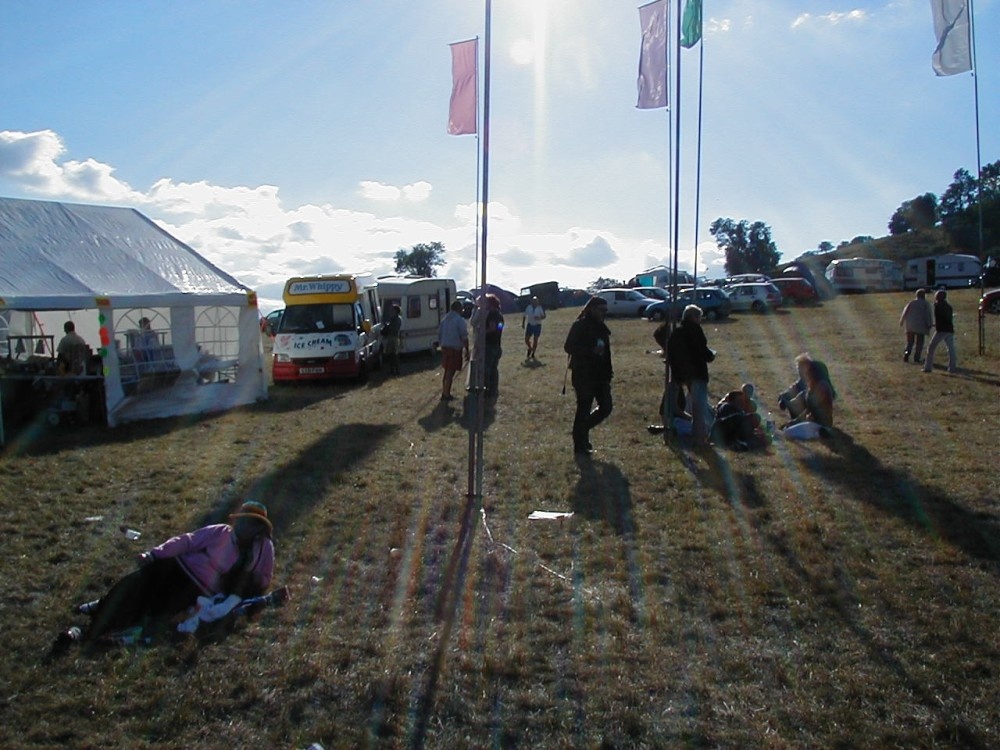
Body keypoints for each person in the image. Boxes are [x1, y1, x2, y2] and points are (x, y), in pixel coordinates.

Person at [62, 501, 275, 647]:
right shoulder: (220, 532)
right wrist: (154, 555)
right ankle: (98, 613)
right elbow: (187, 541)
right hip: (177, 567)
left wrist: (244, 585)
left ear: (260, 528)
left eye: (253, 523)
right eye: (244, 520)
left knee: (153, 607)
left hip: (198, 588)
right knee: (137, 582)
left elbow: (264, 578)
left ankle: (93, 632)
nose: (246, 526)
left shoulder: (263, 549)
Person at [564, 296, 613, 456]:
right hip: (583, 374)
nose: (603, 313)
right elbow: (569, 346)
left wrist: (608, 370)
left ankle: (581, 430)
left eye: (605, 310)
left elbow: (606, 352)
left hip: (600, 374)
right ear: (592, 309)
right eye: (601, 310)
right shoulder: (580, 325)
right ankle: (581, 445)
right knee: (584, 408)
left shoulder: (601, 327)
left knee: (606, 407)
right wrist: (590, 351)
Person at [666, 305, 716, 446]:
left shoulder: (676, 333)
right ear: (693, 317)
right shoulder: (695, 330)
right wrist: (710, 356)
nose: (700, 320)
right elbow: (702, 350)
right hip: (697, 373)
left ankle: (694, 435)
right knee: (698, 408)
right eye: (699, 317)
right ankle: (699, 438)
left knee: (693, 406)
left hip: (682, 374)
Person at [781, 359, 836, 439]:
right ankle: (818, 433)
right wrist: (794, 422)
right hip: (812, 423)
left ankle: (821, 433)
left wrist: (798, 421)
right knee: (787, 430)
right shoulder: (812, 386)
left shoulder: (822, 387)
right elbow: (808, 410)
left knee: (788, 433)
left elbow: (812, 410)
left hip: (819, 424)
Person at [777, 353, 836, 421]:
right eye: (798, 368)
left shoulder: (821, 385)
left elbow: (810, 403)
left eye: (801, 368)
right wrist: (782, 396)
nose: (800, 371)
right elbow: (793, 389)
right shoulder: (803, 381)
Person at [438, 300, 469, 400]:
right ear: (459, 309)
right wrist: (467, 349)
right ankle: (446, 394)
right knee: (450, 372)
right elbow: (464, 336)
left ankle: (445, 391)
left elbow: (439, 333)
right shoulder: (459, 320)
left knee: (447, 371)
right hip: (454, 348)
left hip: (445, 347)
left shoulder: (444, 319)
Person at [923, 289, 957, 374]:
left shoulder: (937, 305)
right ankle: (952, 368)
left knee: (931, 348)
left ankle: (928, 367)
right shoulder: (949, 306)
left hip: (941, 330)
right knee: (951, 349)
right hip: (949, 329)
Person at [899, 289, 933, 363]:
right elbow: (928, 315)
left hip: (910, 326)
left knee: (909, 343)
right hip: (921, 326)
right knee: (919, 343)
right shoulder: (925, 304)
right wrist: (929, 324)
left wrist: (901, 321)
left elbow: (905, 312)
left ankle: (906, 355)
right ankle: (917, 358)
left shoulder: (911, 303)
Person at [483, 294, 504, 399]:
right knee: (494, 369)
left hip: (490, 345)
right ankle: (494, 390)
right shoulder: (500, 315)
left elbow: (492, 328)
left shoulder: (492, 314)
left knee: (487, 369)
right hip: (497, 344)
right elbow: (500, 328)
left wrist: (482, 333)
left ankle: (488, 390)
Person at [521, 296, 546, 361]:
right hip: (530, 325)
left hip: (537, 325)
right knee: (526, 339)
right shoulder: (528, 307)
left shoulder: (540, 308)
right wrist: (523, 323)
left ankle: (533, 353)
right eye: (533, 301)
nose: (535, 302)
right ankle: (530, 348)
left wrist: (539, 318)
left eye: (536, 301)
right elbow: (524, 315)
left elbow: (544, 316)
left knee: (535, 339)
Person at [382, 304, 402, 375]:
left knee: (395, 355)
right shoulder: (392, 319)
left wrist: (388, 327)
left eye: (393, 310)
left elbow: (395, 329)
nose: (391, 312)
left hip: (394, 338)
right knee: (390, 354)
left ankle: (397, 370)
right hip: (390, 337)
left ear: (396, 311)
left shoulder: (398, 319)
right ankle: (392, 370)